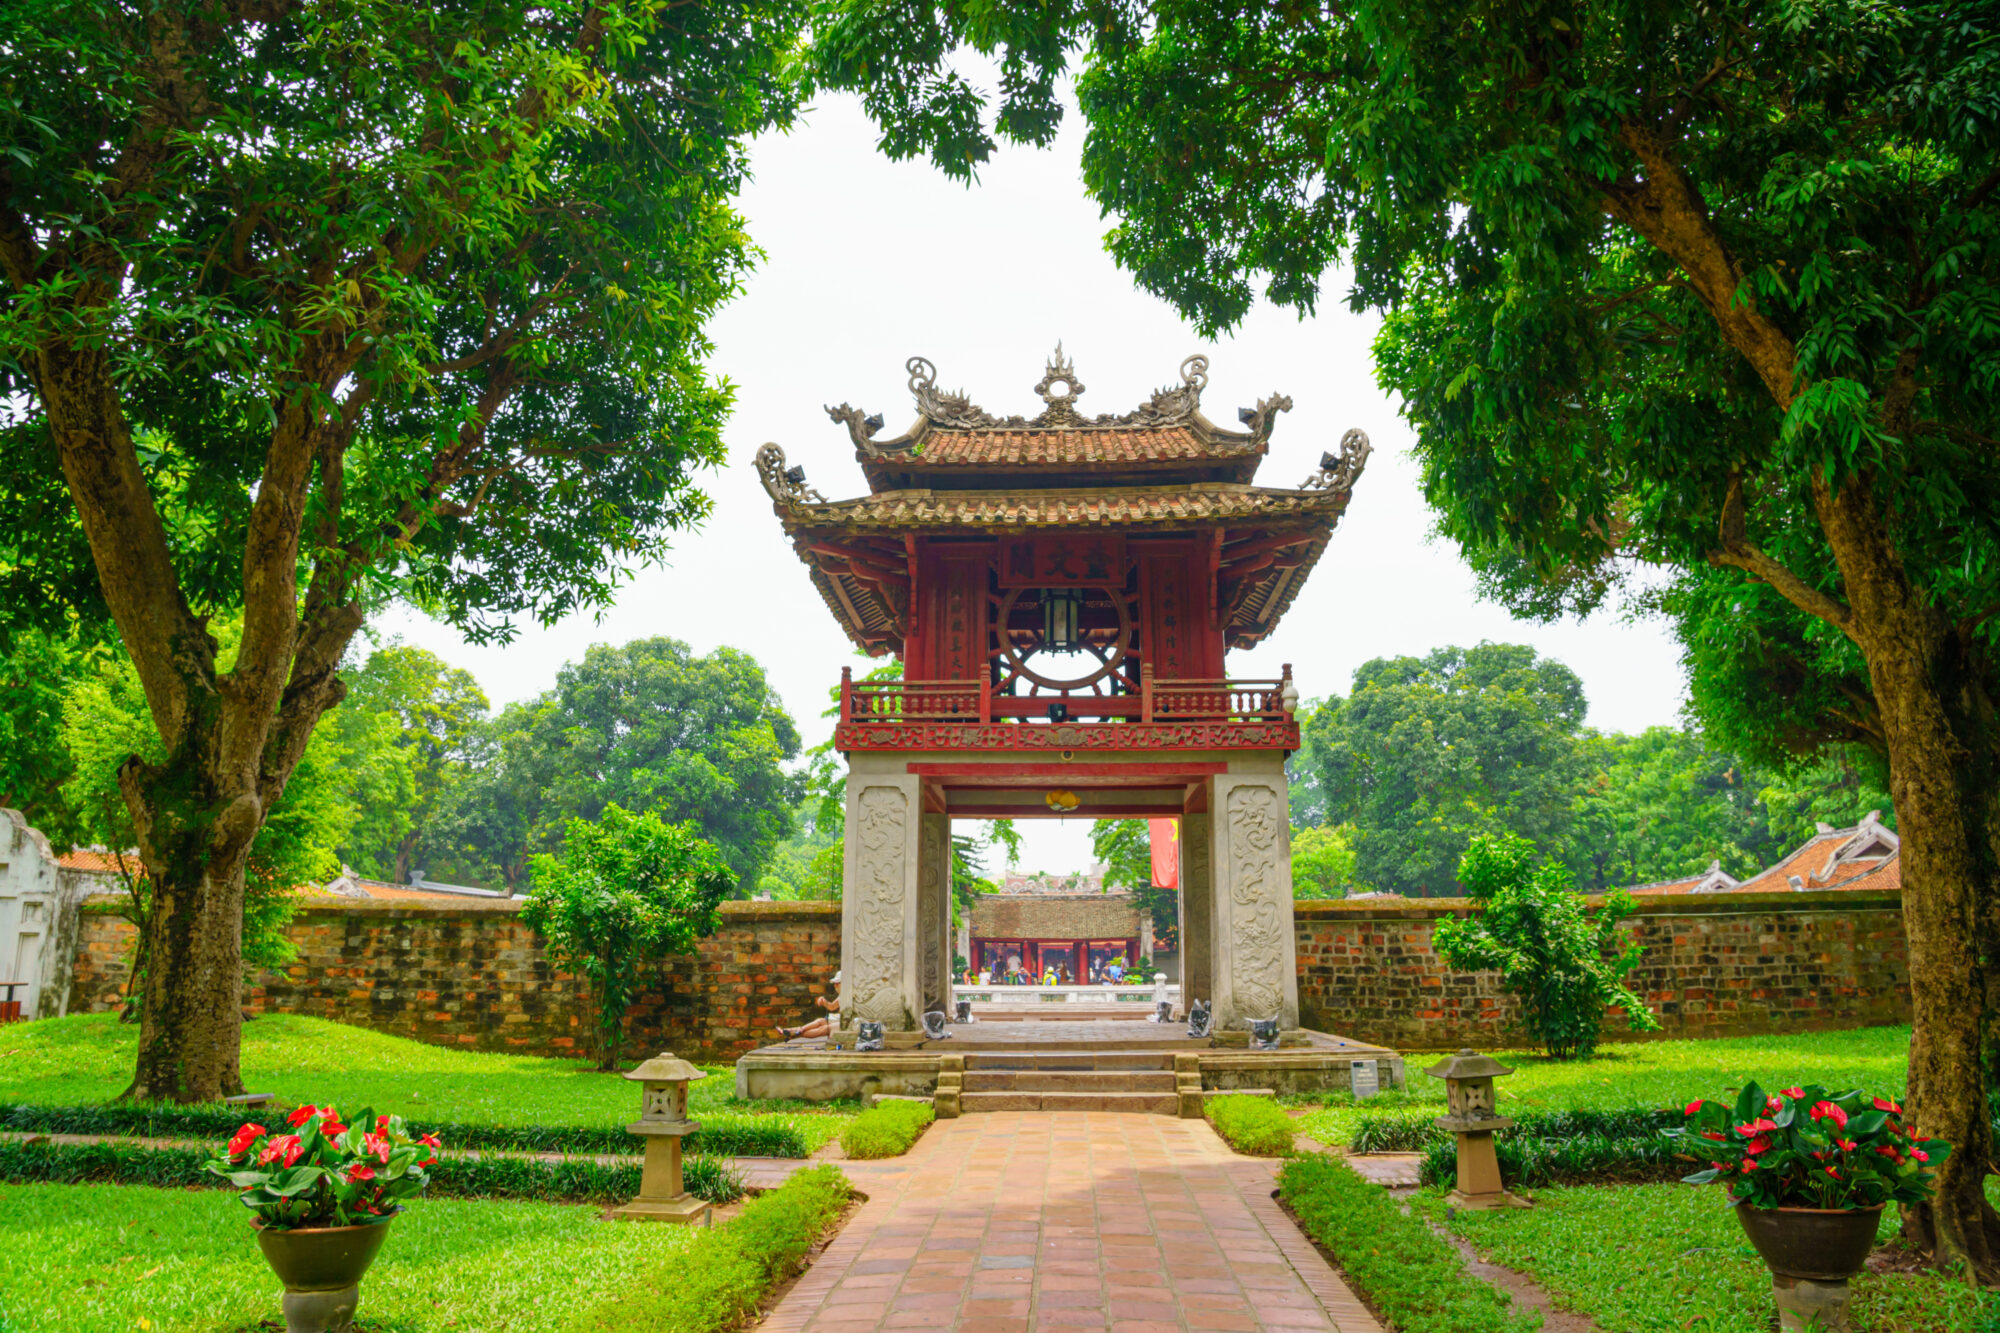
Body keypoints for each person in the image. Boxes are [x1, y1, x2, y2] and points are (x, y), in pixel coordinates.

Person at [777, 970, 840, 1042]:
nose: (835, 986)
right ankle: (796, 1030)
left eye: (838, 983)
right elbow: (832, 1007)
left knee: (821, 1029)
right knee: (820, 1021)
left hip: (840, 1022)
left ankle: (795, 1033)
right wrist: (824, 1002)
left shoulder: (848, 997)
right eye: (835, 984)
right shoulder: (842, 996)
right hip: (836, 1020)